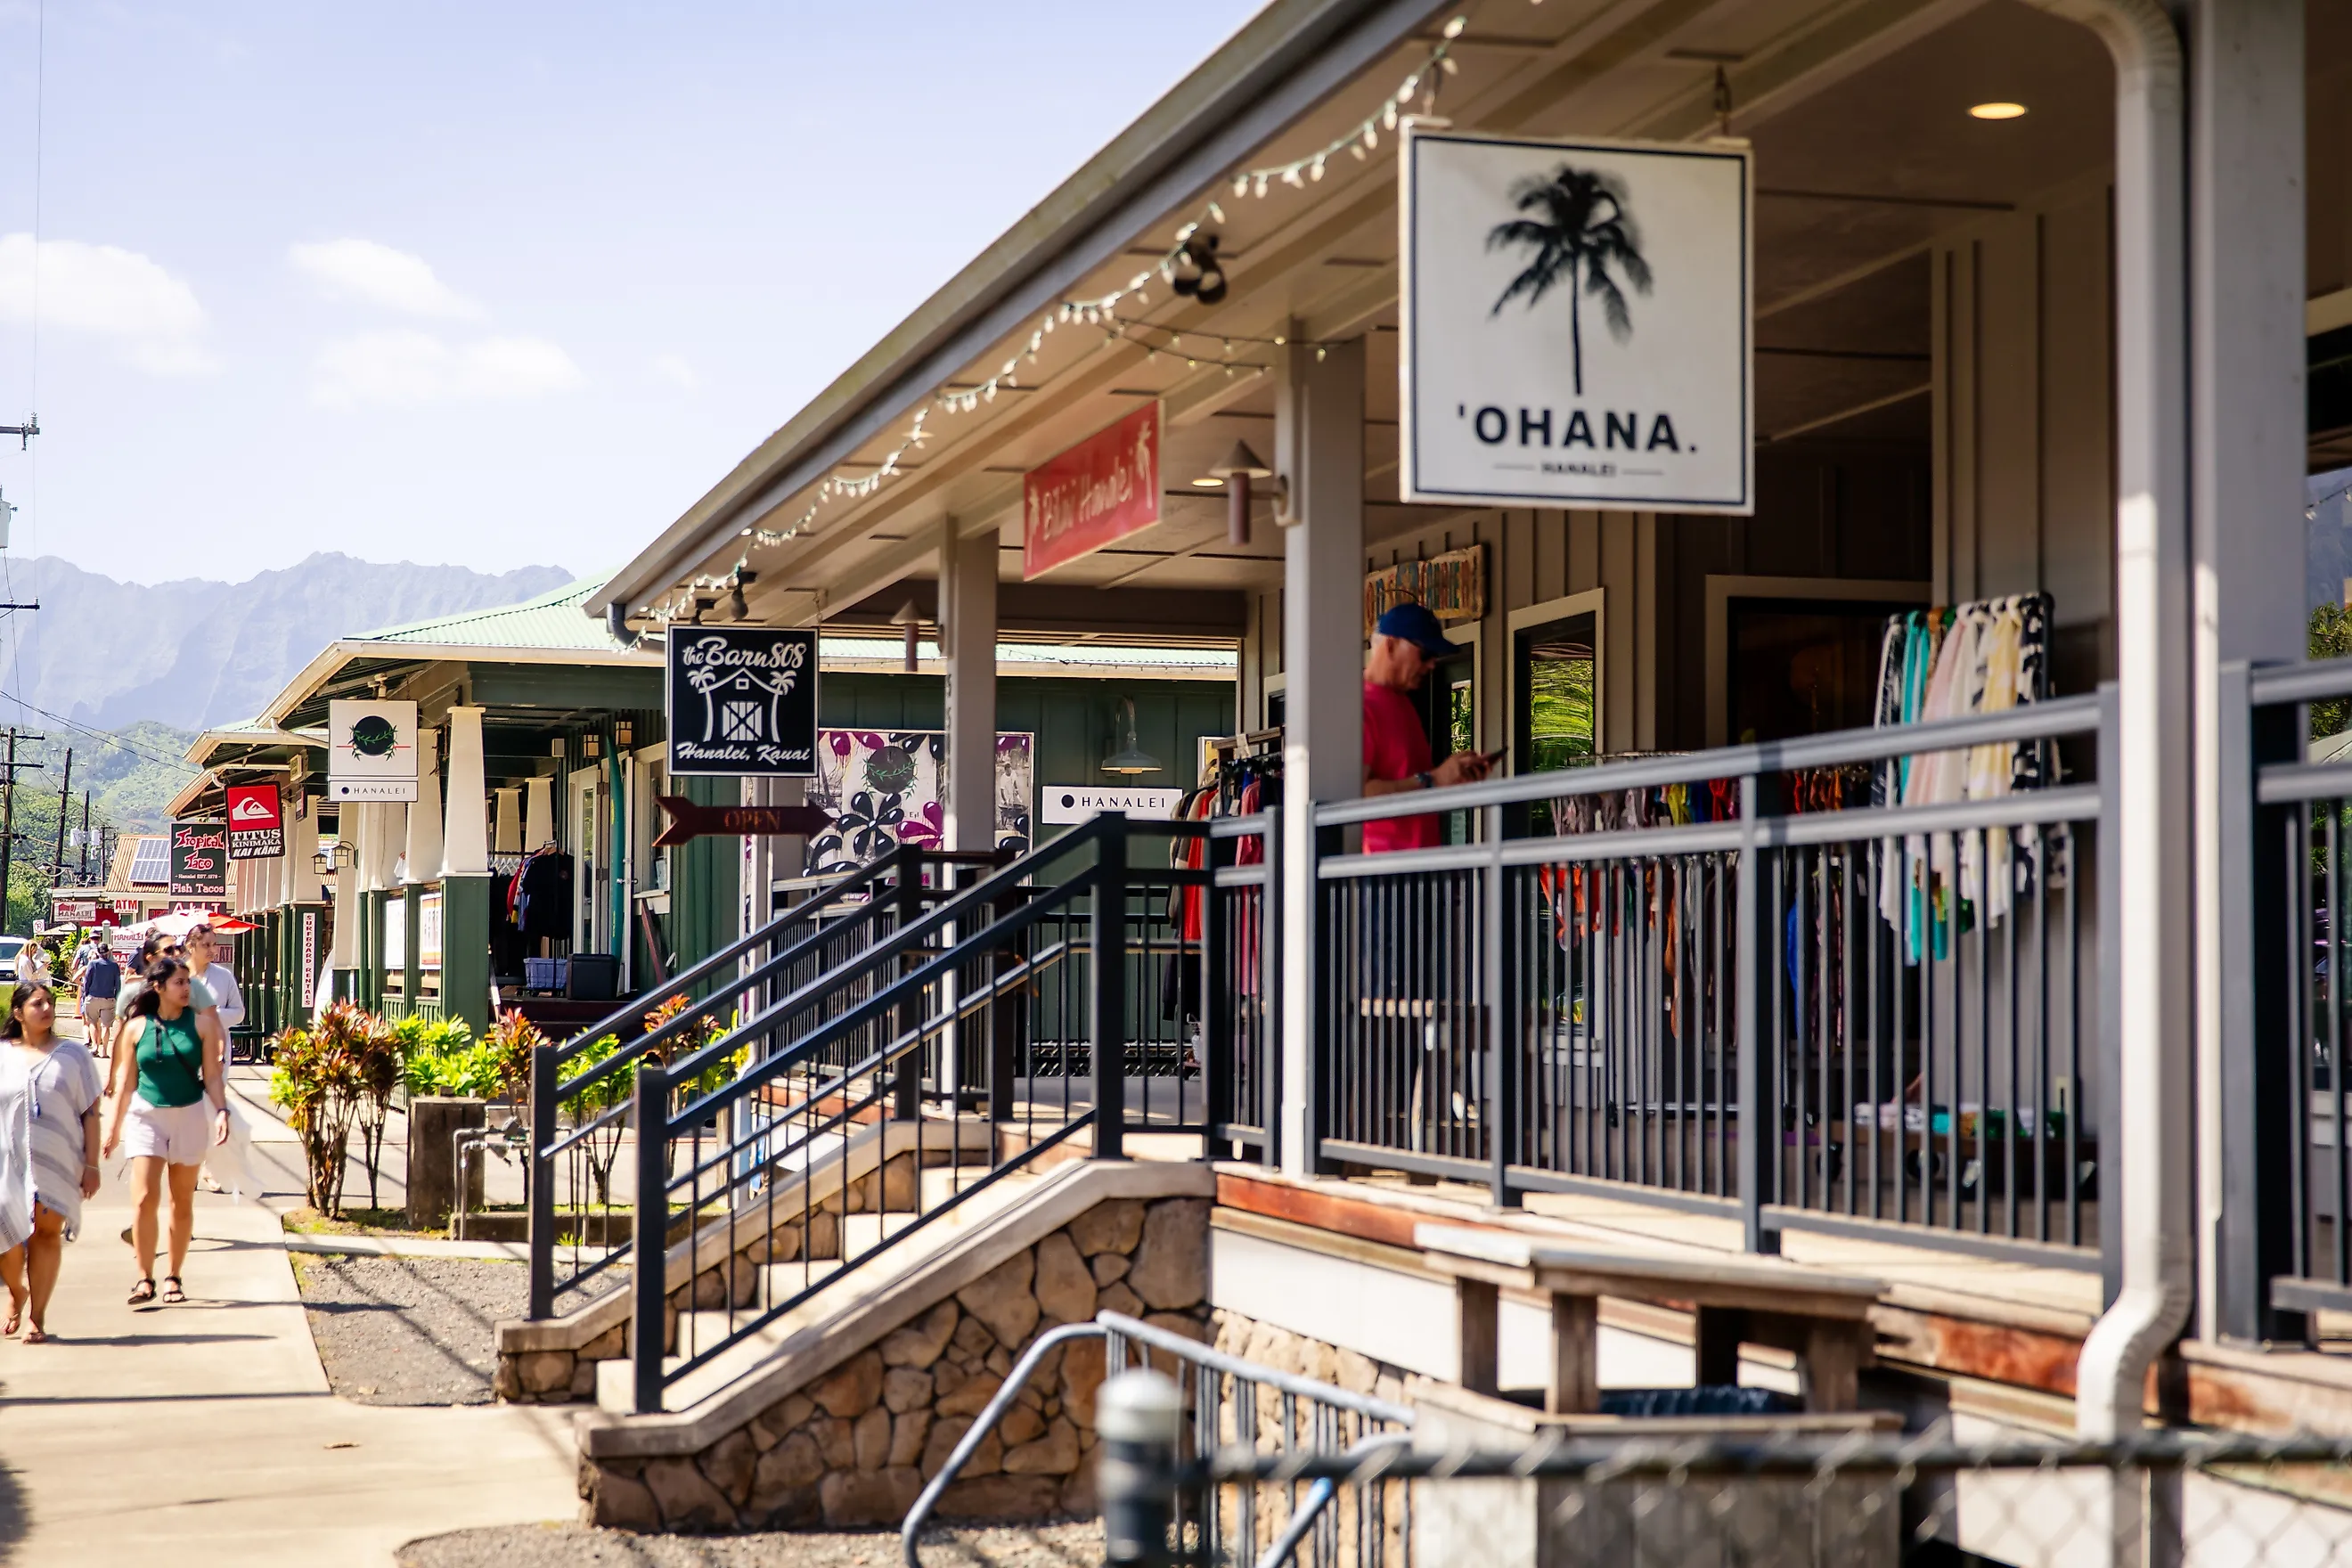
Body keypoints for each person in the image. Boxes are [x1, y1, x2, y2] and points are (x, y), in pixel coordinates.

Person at [101, 959, 229, 1307]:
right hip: (146, 1117)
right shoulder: (135, 1027)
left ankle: (174, 1276)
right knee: (143, 1199)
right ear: (158, 987)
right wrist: (112, 1128)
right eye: (179, 983)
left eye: (188, 982)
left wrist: (221, 1111)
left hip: (188, 1116)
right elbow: (126, 1083)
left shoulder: (202, 1025)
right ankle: (144, 1278)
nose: (187, 989)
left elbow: (213, 1076)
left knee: (181, 1201)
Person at [0, 984, 102, 1342]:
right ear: (18, 1013)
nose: (46, 1008)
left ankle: (37, 1317)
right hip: (6, 1162)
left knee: (46, 1235)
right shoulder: (2, 1055)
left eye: (50, 1003)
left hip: (57, 1159)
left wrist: (92, 1165)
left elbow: (90, 1112)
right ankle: (16, 1291)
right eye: (37, 1003)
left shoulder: (73, 1055)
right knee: (5, 1239)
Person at [1360, 602, 1491, 853]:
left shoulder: (1401, 703)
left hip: (1422, 870)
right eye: (1425, 654)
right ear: (1390, 645)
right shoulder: (1360, 706)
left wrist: (1450, 780)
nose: (1432, 664)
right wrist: (1432, 779)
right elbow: (1355, 795)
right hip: (1383, 872)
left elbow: (1411, 785)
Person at [75, 942, 120, 1059]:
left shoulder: (92, 964)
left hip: (93, 997)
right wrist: (116, 997)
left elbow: (87, 981)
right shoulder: (114, 966)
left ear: (98, 953)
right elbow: (118, 984)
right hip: (108, 998)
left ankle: (95, 1046)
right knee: (106, 1026)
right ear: (108, 952)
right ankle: (104, 1051)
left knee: (93, 1022)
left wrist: (86, 994)